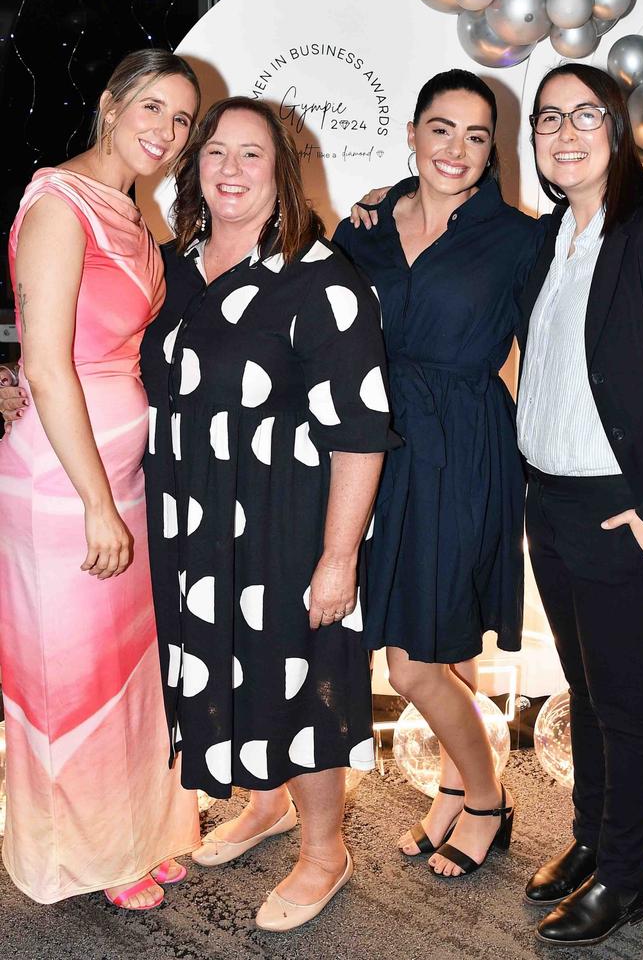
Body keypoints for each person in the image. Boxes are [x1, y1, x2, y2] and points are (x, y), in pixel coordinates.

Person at [140, 95, 396, 930]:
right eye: (215, 152)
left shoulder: (321, 280)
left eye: (252, 155)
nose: (230, 170)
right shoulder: (178, 265)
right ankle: (265, 805)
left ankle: (326, 850)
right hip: (194, 519)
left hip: (287, 523)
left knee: (298, 678)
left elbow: (361, 432)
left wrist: (339, 556)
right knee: (228, 667)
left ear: (283, 172)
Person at [0, 49, 202, 909]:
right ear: (113, 105)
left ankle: (135, 832)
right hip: (63, 486)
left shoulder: (129, 209)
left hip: (121, 480)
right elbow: (46, 367)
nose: (165, 131)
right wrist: (92, 504)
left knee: (127, 676)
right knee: (67, 680)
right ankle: (79, 857)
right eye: (152, 107)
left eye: (182, 119)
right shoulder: (58, 202)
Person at [337, 69, 545, 878]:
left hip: (464, 448)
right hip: (379, 449)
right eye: (441, 128)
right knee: (440, 640)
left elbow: (555, 352)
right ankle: (452, 794)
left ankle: (488, 798)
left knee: (414, 660)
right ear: (414, 134)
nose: (456, 148)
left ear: (493, 149)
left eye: (476, 134)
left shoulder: (521, 238)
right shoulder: (367, 228)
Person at [518, 63, 643, 947]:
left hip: (616, 507)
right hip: (550, 499)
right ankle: (594, 840)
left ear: (619, 128)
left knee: (631, 705)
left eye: (586, 115)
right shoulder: (550, 236)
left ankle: (631, 877)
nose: (566, 133)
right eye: (548, 118)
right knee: (586, 688)